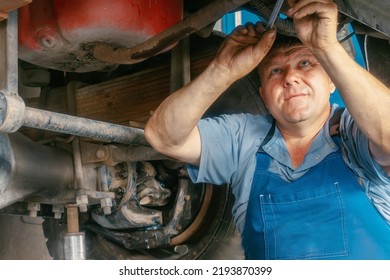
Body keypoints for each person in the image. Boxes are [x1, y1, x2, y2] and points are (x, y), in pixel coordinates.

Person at [144, 0, 390, 259]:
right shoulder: (245, 139)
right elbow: (162, 137)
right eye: (275, 71)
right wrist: (221, 71)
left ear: (331, 81)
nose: (290, 77)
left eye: (305, 63)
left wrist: (325, 46)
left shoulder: (355, 132)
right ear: (263, 95)